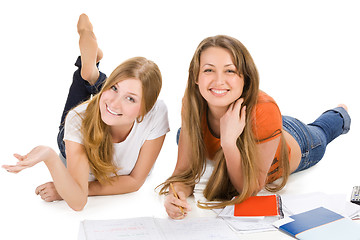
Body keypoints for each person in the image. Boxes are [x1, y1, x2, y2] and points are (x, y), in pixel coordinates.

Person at [158, 35, 351, 219]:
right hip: (260, 127)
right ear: (196, 77)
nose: (218, 80)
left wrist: (229, 142)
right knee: (182, 134)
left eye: (230, 70)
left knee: (323, 131)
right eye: (208, 70)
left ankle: (339, 113)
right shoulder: (192, 104)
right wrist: (175, 196)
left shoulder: (264, 111)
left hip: (296, 139)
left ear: (245, 78)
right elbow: (183, 173)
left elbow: (248, 189)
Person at [2, 14, 170, 211]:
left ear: (146, 108)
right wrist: (50, 157)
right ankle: (90, 72)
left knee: (107, 104)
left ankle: (91, 74)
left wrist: (63, 189)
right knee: (91, 109)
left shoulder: (156, 112)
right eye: (114, 87)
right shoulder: (78, 120)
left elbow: (134, 181)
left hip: (101, 113)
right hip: (76, 139)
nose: (116, 103)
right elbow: (78, 202)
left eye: (130, 98)